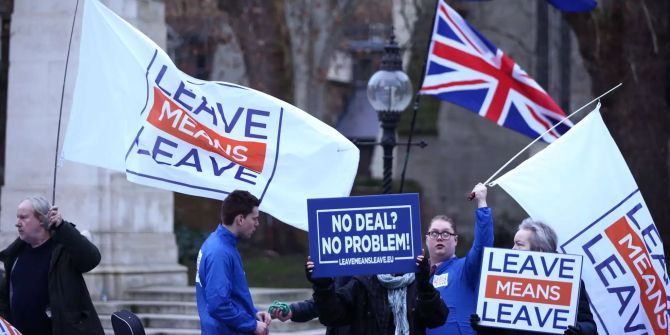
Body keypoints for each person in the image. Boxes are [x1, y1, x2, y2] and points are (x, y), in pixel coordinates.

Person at [470, 218, 598, 335]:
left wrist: (579, 330)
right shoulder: (505, 281)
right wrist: (484, 326)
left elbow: (590, 327)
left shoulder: (570, 280)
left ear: (540, 250)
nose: (513, 249)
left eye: (519, 244)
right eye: (514, 244)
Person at [0, 196, 104, 335]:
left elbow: (91, 259)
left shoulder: (63, 249)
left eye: (23, 217)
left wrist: (62, 226)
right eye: (17, 217)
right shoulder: (15, 255)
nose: (17, 223)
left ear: (42, 220)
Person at [307, 252, 448, 334]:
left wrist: (424, 285)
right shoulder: (362, 282)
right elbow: (332, 316)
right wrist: (323, 286)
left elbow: (437, 318)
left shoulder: (415, 284)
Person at [195, 190, 272, 335]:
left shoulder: (222, 244)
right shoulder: (219, 252)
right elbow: (219, 305)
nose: (257, 224)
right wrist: (251, 325)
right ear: (240, 219)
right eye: (254, 219)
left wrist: (253, 313)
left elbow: (232, 296)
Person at [426, 183, 494, 335]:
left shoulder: (465, 268)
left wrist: (482, 204)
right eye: (434, 233)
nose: (439, 238)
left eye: (445, 234)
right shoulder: (418, 276)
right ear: (427, 239)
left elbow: (482, 246)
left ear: (455, 240)